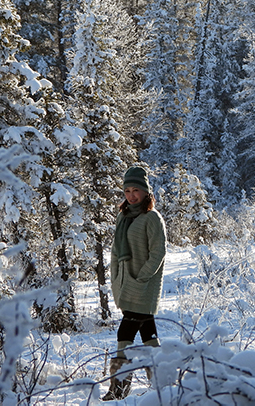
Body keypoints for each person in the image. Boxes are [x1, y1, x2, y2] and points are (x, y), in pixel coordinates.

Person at [103, 166, 167, 401]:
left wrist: (142, 277)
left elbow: (158, 251)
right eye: (127, 190)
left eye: (136, 190)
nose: (131, 195)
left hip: (143, 284)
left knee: (125, 331)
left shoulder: (151, 218)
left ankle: (118, 389)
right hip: (125, 283)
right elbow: (114, 252)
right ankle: (164, 382)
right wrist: (116, 279)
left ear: (145, 192)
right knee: (149, 335)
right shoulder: (123, 216)